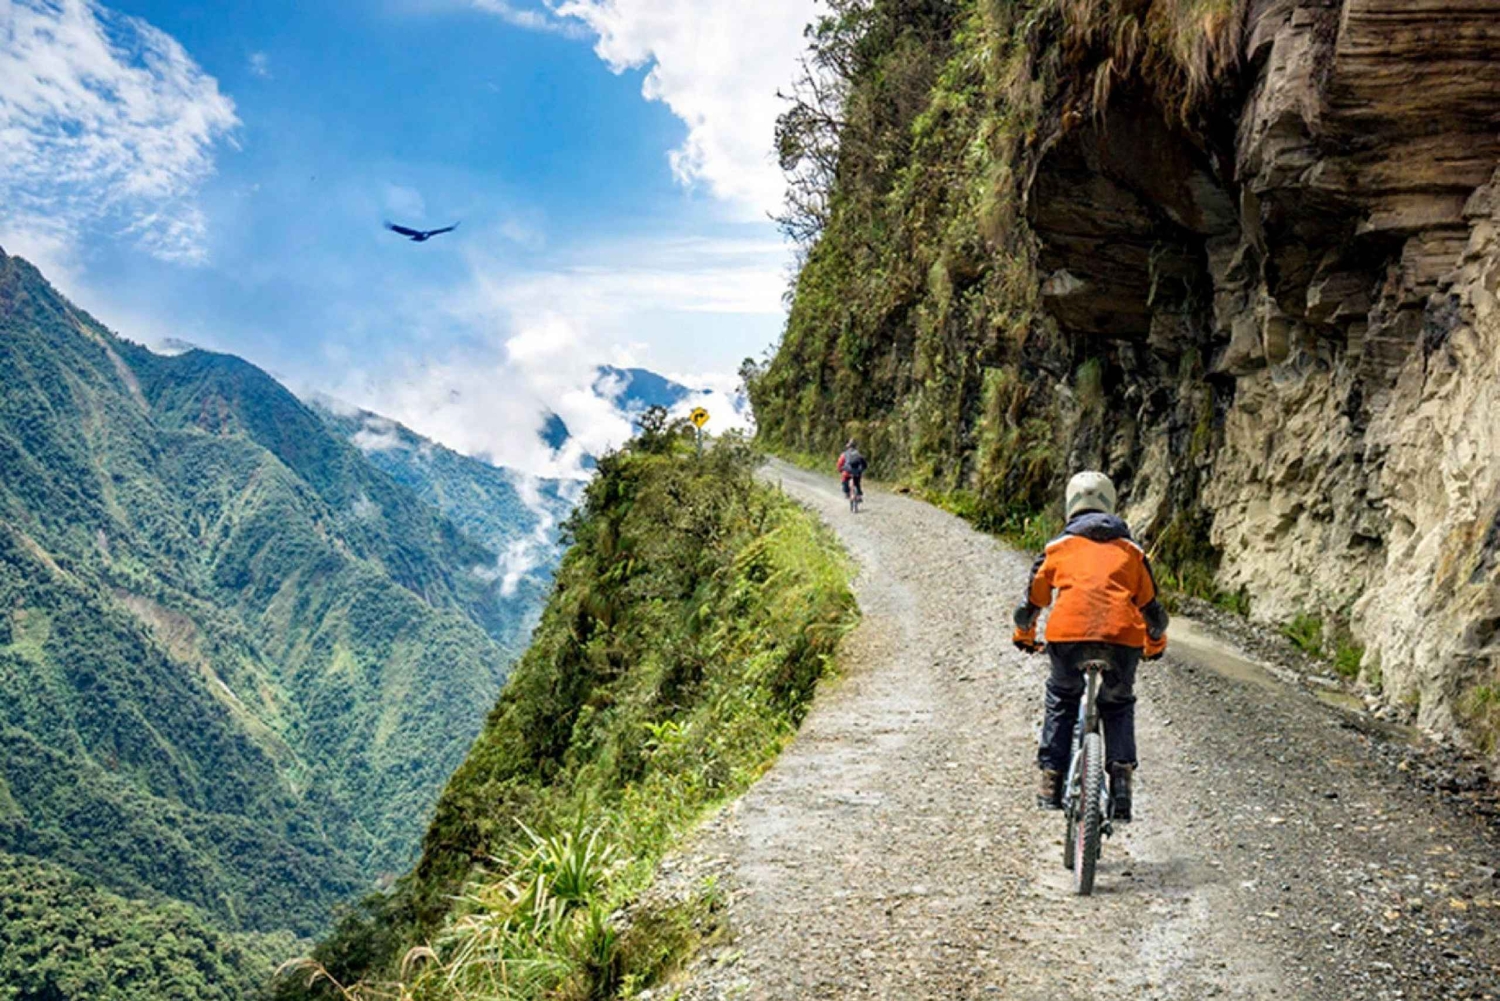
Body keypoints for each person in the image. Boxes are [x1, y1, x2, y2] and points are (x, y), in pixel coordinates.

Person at [1012, 471, 1168, 823]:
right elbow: (1153, 612)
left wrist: (1024, 635)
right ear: (1111, 505)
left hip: (1067, 639)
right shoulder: (1132, 553)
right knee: (1118, 703)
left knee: (1062, 698)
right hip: (1121, 641)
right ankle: (1123, 784)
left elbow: (1030, 604)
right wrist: (1154, 643)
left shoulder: (1056, 549)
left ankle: (1051, 781)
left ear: (1070, 506)